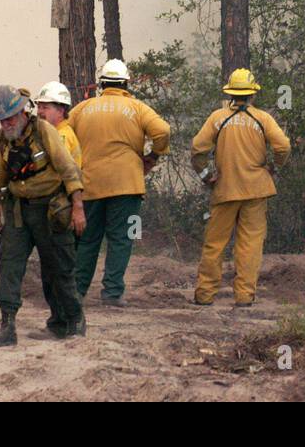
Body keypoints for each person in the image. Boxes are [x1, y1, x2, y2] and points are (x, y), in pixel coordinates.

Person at [0, 85, 86, 346]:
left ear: (21, 111)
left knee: (59, 266)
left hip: (50, 208)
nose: (6, 123)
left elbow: (68, 169)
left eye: (10, 117)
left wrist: (78, 207)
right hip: (17, 208)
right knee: (9, 263)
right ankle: (7, 327)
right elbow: (2, 172)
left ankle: (74, 321)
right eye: (2, 119)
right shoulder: (4, 137)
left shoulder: (43, 131)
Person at [68, 59, 170, 307]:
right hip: (127, 185)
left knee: (87, 239)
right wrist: (152, 156)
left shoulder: (82, 109)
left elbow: (63, 135)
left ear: (101, 84)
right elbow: (163, 131)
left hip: (90, 184)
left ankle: (77, 291)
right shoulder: (137, 108)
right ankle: (112, 293)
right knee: (121, 238)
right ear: (126, 83)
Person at [190, 68, 291, 308]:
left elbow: (197, 149)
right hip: (256, 191)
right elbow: (283, 147)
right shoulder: (263, 118)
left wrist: (206, 176)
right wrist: (274, 168)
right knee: (250, 245)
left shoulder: (218, 118)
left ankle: (204, 295)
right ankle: (244, 296)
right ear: (252, 94)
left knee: (215, 244)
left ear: (231, 94)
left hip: (224, 190)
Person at [32, 81, 87, 337]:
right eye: (39, 106)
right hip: (51, 211)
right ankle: (59, 323)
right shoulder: (51, 134)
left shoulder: (61, 136)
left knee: (61, 271)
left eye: (46, 107)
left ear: (61, 110)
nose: (40, 111)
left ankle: (72, 323)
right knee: (52, 270)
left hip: (59, 211)